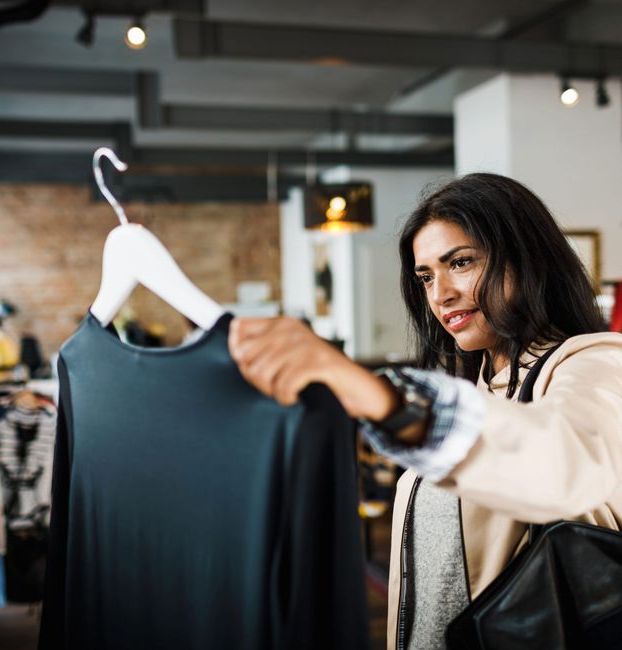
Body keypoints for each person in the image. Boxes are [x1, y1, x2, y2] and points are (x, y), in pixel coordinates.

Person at [228, 172, 622, 649]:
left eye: (461, 263)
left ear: (527, 259)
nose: (440, 295)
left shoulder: (597, 363)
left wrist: (383, 398)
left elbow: (561, 461)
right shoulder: (480, 388)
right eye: (426, 276)